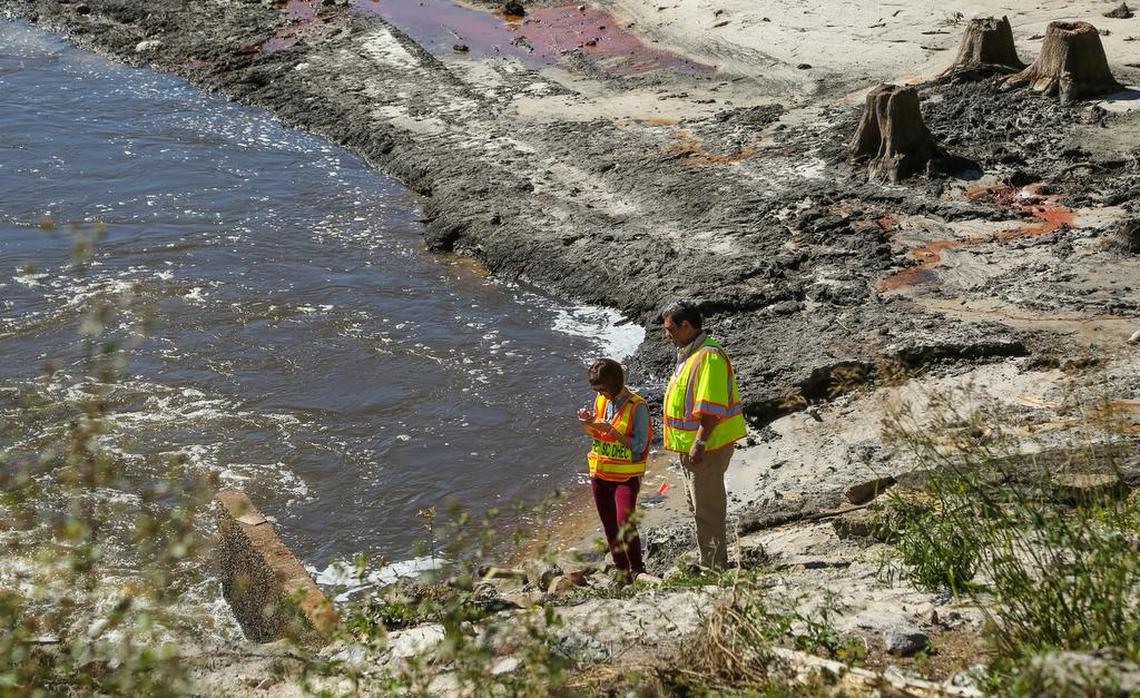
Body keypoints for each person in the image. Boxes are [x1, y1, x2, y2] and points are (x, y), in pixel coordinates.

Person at [660, 299, 747, 569]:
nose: (667, 334)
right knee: (698, 507)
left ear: (686, 326)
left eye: (670, 328)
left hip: (706, 448)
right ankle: (709, 560)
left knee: (707, 510)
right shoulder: (691, 354)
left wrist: (699, 442)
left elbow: (710, 409)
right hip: (694, 447)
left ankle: (714, 566)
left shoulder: (708, 356)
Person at [576, 358, 651, 577]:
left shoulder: (638, 407)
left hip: (626, 477)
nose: (600, 393)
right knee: (609, 527)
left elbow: (639, 445)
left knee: (624, 523)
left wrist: (612, 431)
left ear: (615, 383)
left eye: (602, 389)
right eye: (596, 390)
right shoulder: (601, 401)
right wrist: (587, 423)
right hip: (600, 473)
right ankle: (621, 571)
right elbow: (597, 435)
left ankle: (637, 568)